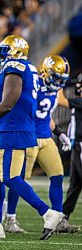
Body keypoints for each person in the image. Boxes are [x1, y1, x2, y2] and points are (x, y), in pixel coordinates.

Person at [0, 35, 64, 240]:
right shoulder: (26, 69)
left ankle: (47, 212)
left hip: (13, 128)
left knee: (10, 178)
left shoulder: (16, 68)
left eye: (5, 50)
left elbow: (8, 103)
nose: (0, 54)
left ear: (15, 51)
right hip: (5, 128)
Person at [56, 73, 82, 233]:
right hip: (77, 146)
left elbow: (60, 100)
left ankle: (62, 218)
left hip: (81, 145)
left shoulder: (79, 101)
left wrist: (59, 84)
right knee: (75, 185)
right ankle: (63, 218)